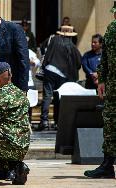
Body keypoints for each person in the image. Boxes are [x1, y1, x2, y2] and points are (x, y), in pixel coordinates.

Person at [84, 2, 116, 179]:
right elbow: (104, 58)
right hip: (112, 87)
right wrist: (102, 80)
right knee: (110, 125)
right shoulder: (111, 29)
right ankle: (107, 164)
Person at [36, 25, 82, 131]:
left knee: (47, 96)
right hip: (62, 75)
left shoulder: (54, 39)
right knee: (58, 97)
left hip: (50, 70)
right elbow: (79, 63)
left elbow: (44, 49)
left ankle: (44, 121)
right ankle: (58, 122)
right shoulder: (72, 45)